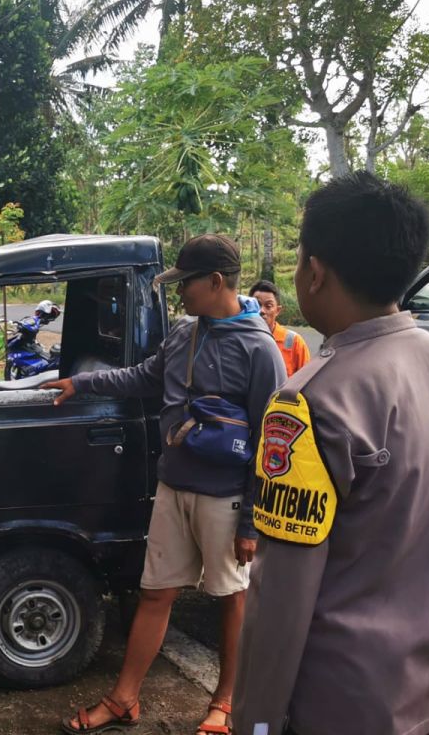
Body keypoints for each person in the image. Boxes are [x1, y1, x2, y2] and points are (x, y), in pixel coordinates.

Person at [232, 172, 429, 735]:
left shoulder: (309, 402)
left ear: (315, 271)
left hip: (334, 705)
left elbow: (281, 593)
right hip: (425, 696)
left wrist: (256, 722)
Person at [44, 234, 286, 735]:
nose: (180, 294)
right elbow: (144, 377)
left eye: (187, 284)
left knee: (231, 597)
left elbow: (272, 443)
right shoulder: (183, 332)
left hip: (227, 496)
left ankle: (225, 703)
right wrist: (81, 383)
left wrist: (251, 522)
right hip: (173, 487)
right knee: (155, 593)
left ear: (216, 282)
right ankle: (124, 699)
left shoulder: (261, 350)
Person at [247, 280, 310, 377]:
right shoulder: (241, 339)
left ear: (278, 310)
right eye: (257, 305)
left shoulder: (295, 343)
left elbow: (306, 381)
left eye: (268, 306)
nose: (261, 311)